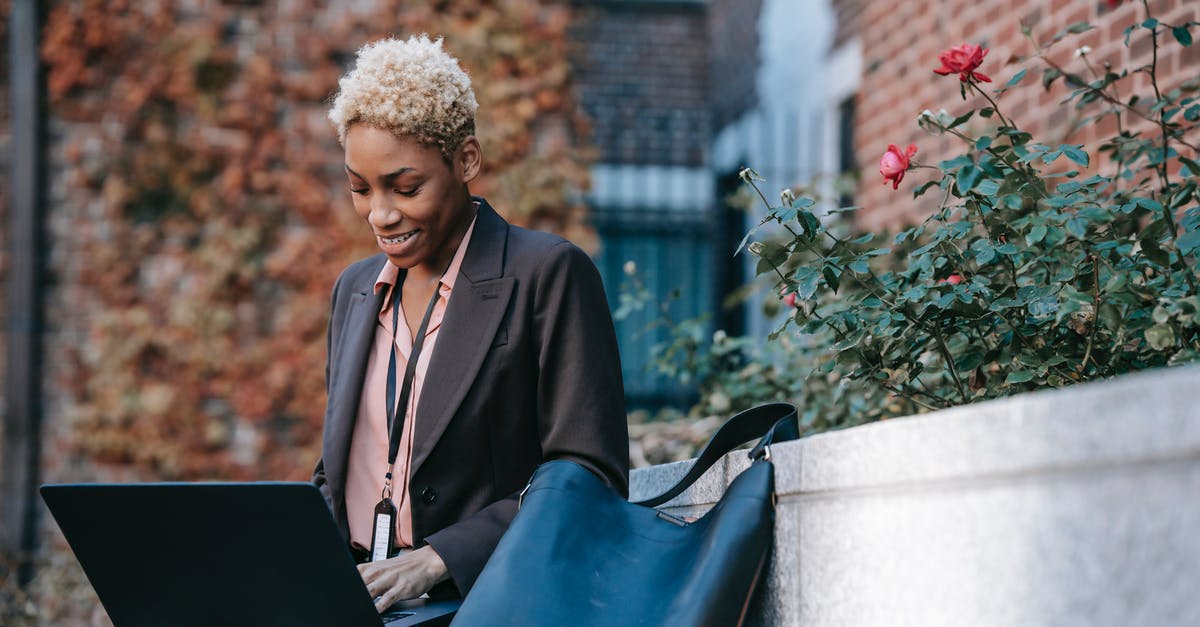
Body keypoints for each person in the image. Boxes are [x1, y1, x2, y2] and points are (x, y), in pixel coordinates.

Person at [310, 35, 629, 613]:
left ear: (466, 161)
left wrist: (438, 560)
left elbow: (589, 473)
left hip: (483, 603)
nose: (380, 214)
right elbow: (340, 470)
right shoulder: (354, 291)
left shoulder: (548, 273)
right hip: (354, 601)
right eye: (360, 188)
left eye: (406, 187)